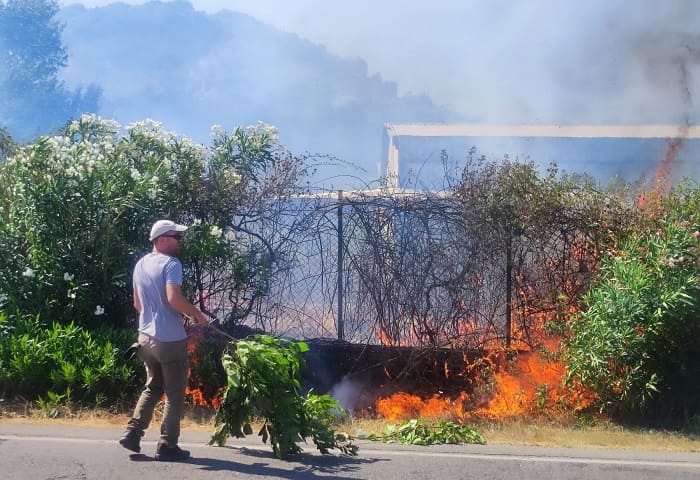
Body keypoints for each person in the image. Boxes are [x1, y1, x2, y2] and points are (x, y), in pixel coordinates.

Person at [119, 219, 209, 461]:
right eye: (176, 237)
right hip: (169, 340)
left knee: (153, 387)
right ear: (161, 240)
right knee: (175, 394)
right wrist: (197, 315)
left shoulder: (140, 265)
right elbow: (173, 298)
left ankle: (133, 432)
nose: (180, 241)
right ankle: (168, 445)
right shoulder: (171, 264)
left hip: (145, 338)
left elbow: (137, 304)